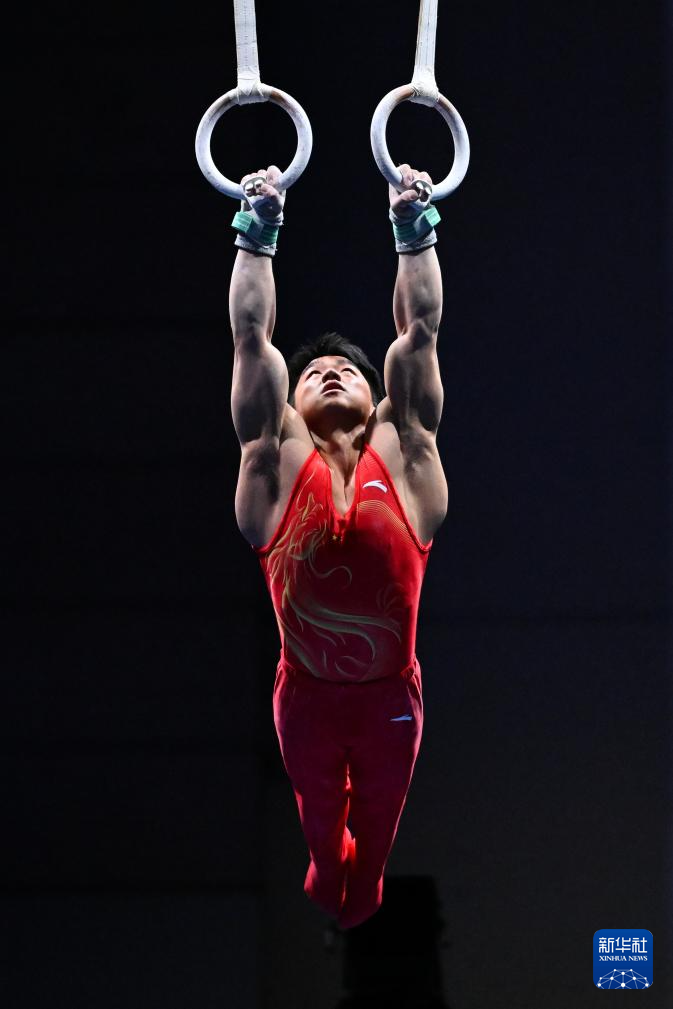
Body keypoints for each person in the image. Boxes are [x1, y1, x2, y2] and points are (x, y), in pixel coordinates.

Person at [228, 163, 448, 929]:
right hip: (309, 701)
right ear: (288, 403)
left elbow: (419, 333)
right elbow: (250, 338)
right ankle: (328, 873)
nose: (327, 374)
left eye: (344, 370)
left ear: (373, 392)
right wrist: (257, 226)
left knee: (372, 856)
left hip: (389, 697)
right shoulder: (273, 463)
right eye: (312, 372)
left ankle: (362, 884)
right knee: (324, 851)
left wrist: (412, 224)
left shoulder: (406, 451)